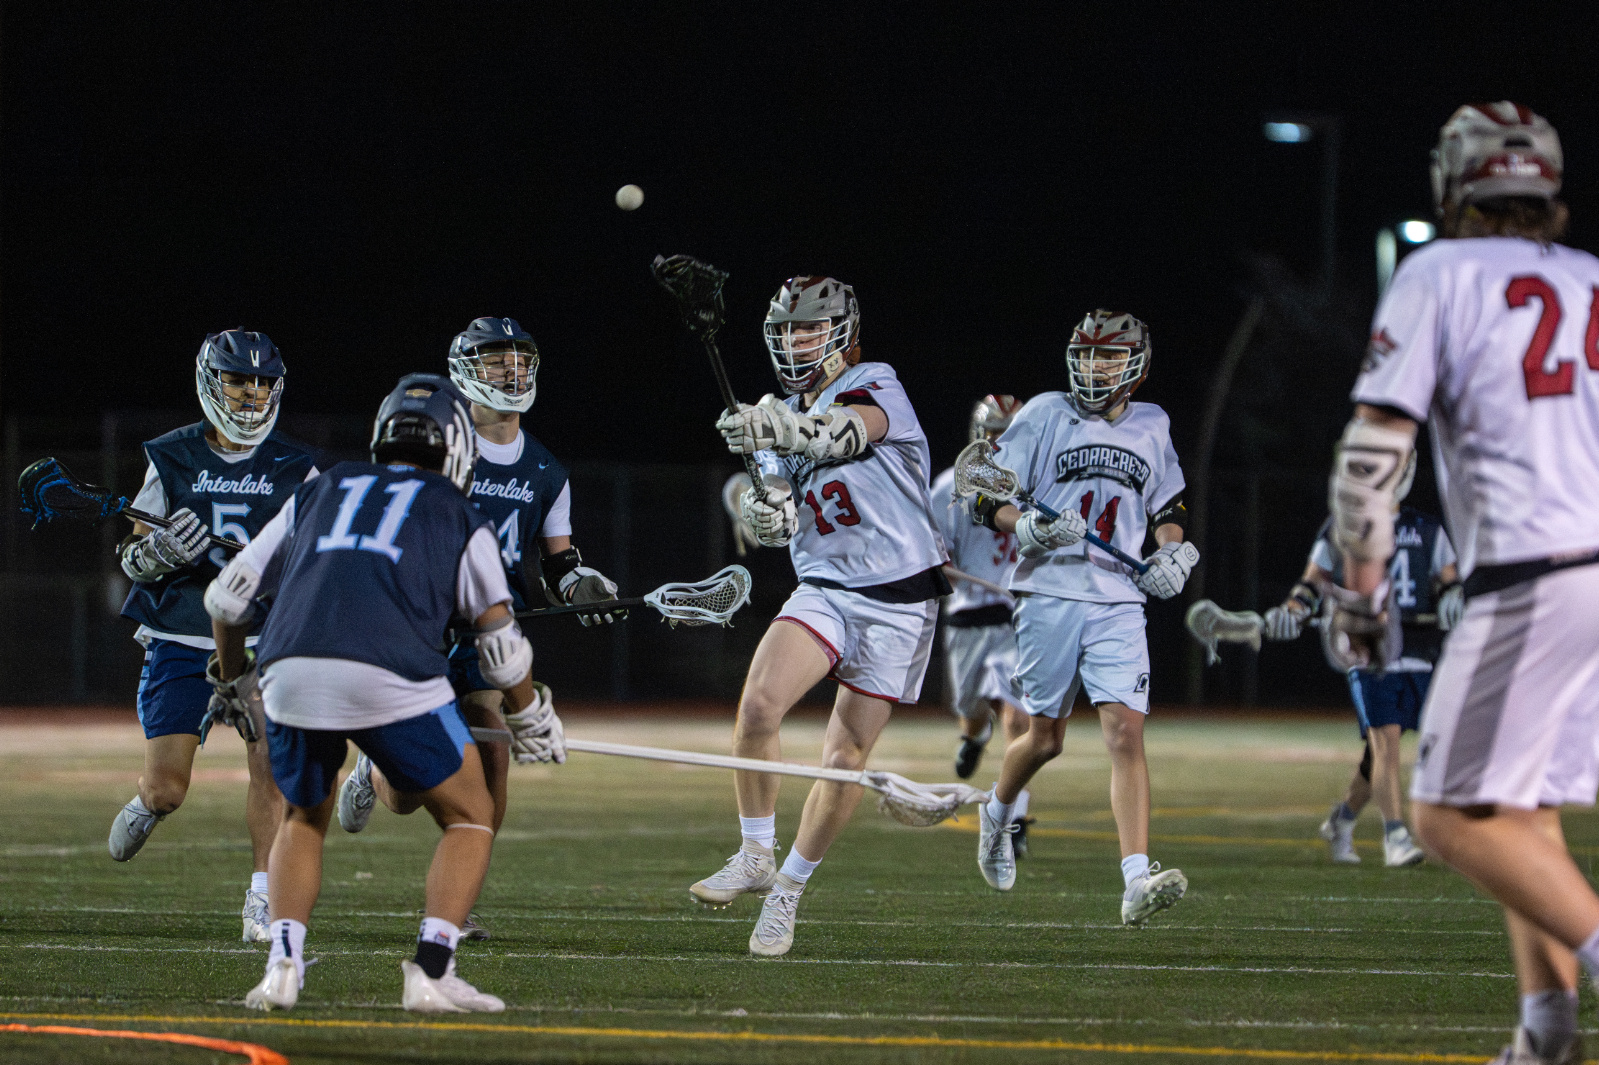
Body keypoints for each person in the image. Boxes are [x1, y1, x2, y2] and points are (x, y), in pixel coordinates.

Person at [1327, 102, 1599, 1065]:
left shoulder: (1438, 272)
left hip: (1531, 571)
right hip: (1585, 567)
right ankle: (1544, 1036)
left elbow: (1371, 456)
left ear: (1455, 184)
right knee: (1518, 812)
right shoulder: (1589, 277)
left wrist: (1361, 592)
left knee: (1442, 814)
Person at [209, 374, 561, 1013]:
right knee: (470, 814)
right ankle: (431, 970)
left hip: (289, 669)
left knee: (302, 817)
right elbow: (500, 644)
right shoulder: (458, 511)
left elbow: (228, 598)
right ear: (457, 448)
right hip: (393, 674)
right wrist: (530, 713)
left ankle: (282, 966)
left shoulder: (320, 487)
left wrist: (234, 678)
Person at [334, 317, 622, 940]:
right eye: (495, 360)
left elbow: (560, 563)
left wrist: (582, 585)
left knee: (492, 758)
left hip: (491, 634)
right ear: (465, 369)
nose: (510, 372)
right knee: (407, 792)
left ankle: (455, 910)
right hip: (423, 625)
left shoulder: (546, 471)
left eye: (519, 359)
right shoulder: (437, 442)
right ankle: (371, 768)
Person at [692, 275, 949, 957]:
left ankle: (788, 891)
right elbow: (777, 499)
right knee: (758, 706)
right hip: (826, 587)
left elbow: (845, 433)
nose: (795, 341)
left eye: (808, 327)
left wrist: (781, 429)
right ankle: (755, 852)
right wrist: (765, 509)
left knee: (843, 757)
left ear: (841, 333)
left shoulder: (876, 382)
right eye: (785, 330)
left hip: (898, 600)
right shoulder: (773, 414)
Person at [969, 310, 1196, 925]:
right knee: (1045, 738)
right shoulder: (1045, 412)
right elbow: (985, 497)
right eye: (1088, 355)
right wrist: (1031, 527)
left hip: (1118, 598)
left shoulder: (1152, 422)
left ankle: (1135, 880)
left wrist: (1170, 551)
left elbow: (1168, 507)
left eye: (1109, 356)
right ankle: (997, 811)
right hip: (1050, 591)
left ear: (1136, 367)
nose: (1096, 368)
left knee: (1125, 733)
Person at [108, 329, 318, 945]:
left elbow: (317, 551)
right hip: (183, 631)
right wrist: (159, 551)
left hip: (264, 636)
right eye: (237, 380)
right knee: (168, 789)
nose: (251, 393)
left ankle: (263, 897)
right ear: (210, 382)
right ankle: (147, 803)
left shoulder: (296, 465)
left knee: (270, 765)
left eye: (261, 382)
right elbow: (131, 558)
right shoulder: (172, 455)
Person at [1263, 490, 1460, 866]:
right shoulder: (1343, 526)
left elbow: (1449, 580)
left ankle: (1343, 819)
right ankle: (1395, 836)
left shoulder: (1426, 528)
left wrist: (1453, 596)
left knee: (1380, 754)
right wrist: (1293, 609)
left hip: (1421, 651)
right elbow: (1312, 582)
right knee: (1386, 742)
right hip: (1367, 649)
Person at [932, 395, 1034, 851]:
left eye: (1009, 434)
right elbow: (935, 554)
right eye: (994, 432)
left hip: (1019, 616)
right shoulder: (948, 489)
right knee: (972, 709)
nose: (1000, 443)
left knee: (1020, 716)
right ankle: (974, 736)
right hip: (969, 615)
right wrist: (941, 565)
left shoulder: (1038, 486)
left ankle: (1015, 817)